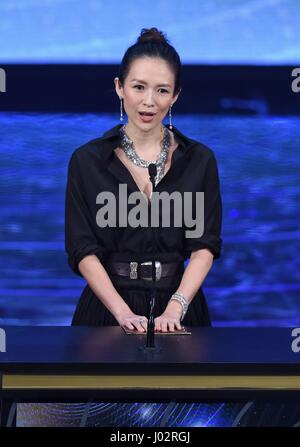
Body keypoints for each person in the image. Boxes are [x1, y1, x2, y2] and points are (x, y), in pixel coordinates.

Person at [65, 27, 222, 333]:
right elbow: (82, 249)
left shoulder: (200, 160)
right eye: (138, 87)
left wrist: (175, 308)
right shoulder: (87, 160)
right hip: (106, 310)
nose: (149, 101)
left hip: (179, 308)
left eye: (162, 90)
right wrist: (122, 314)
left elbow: (205, 245)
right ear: (119, 87)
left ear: (175, 95)